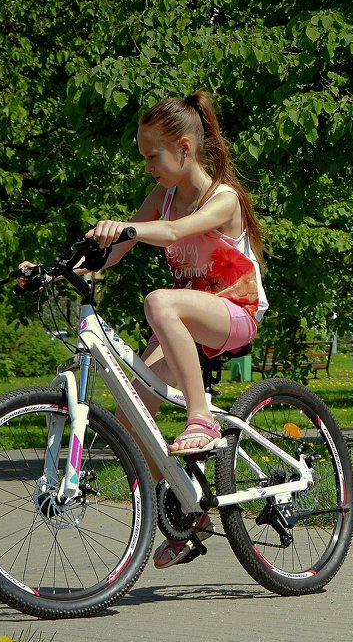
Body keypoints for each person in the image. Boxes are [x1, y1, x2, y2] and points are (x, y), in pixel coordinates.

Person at [39, 90, 268, 569]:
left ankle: (201, 419)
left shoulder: (222, 199)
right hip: (186, 324)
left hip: (234, 312)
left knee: (158, 301)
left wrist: (128, 228)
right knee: (130, 415)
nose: (147, 166)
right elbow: (109, 255)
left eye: (152, 156)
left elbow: (172, 233)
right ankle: (188, 503)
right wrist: (53, 268)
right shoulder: (162, 197)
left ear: (185, 148)